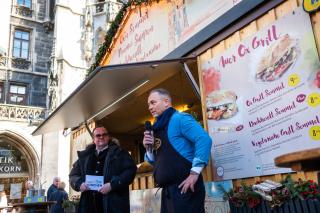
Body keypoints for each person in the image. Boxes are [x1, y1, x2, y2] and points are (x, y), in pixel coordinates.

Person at [143, 88, 212, 213]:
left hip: (186, 188)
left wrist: (194, 173)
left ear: (166, 102)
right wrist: (148, 149)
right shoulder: (157, 129)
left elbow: (204, 139)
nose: (150, 107)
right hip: (168, 193)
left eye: (153, 102)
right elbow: (156, 162)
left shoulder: (180, 119)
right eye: (148, 104)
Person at [69, 125, 137, 213]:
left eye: (104, 134)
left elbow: (130, 170)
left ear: (108, 137)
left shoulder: (119, 153)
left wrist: (112, 185)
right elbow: (73, 175)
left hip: (113, 204)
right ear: (93, 139)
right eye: (98, 135)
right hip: (88, 205)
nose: (101, 137)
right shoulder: (85, 156)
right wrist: (79, 184)